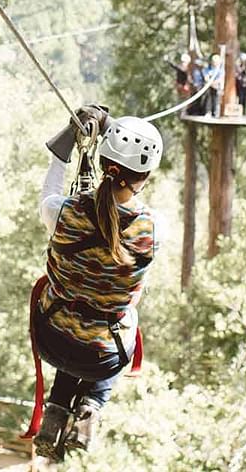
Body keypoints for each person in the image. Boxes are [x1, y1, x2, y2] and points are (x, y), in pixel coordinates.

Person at [31, 108, 162, 459]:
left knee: (79, 321)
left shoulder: (62, 212)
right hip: (101, 360)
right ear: (145, 175)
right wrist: (111, 127)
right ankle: (90, 405)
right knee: (118, 319)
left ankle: (57, 408)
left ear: (105, 162)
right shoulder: (151, 230)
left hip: (51, 339)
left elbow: (52, 182)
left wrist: (73, 135)